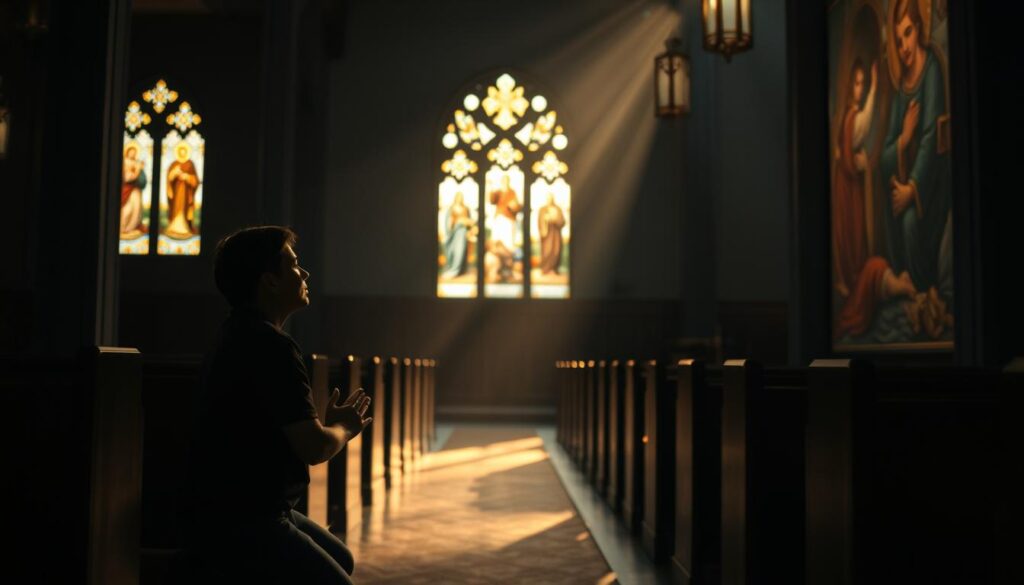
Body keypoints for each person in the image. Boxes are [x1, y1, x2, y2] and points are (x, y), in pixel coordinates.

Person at [187, 226, 372, 584]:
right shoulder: (272, 347)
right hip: (246, 519)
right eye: (294, 265)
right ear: (270, 281)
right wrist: (346, 427)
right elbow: (314, 447)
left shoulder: (235, 334)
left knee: (342, 558)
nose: (304, 273)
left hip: (237, 506)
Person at [831, 57, 917, 340]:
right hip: (848, 195)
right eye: (857, 84)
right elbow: (865, 124)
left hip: (850, 192)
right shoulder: (851, 118)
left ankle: (887, 282)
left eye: (863, 84)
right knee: (859, 253)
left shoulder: (847, 119)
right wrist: (878, 84)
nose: (860, 89)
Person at [879, 0, 952, 303]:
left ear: (919, 29)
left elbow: (930, 138)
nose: (904, 46)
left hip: (934, 183)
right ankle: (917, 296)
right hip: (910, 187)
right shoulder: (901, 92)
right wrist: (901, 142)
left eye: (907, 34)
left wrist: (913, 188)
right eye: (898, 40)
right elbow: (885, 153)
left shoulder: (932, 69)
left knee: (910, 220)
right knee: (901, 217)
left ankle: (924, 294)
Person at [165, 142, 201, 239]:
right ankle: (174, 227)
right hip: (176, 192)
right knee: (176, 209)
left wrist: (186, 177)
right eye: (180, 152)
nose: (182, 154)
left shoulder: (190, 164)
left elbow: (196, 180)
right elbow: (169, 179)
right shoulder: (174, 164)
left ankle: (185, 228)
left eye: (184, 152)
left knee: (185, 209)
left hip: (186, 193)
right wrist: (174, 174)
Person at [440, 191, 475, 279]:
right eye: (458, 197)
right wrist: (457, 222)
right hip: (454, 234)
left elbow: (470, 220)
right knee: (454, 251)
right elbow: (448, 222)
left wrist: (468, 226)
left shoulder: (466, 208)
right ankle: (453, 269)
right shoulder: (451, 208)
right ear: (455, 198)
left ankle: (459, 270)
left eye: (461, 197)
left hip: (463, 234)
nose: (460, 199)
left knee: (461, 251)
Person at [120, 144, 147, 237]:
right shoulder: (124, 162)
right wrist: (138, 170)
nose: (133, 154)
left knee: (137, 208)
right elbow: (127, 178)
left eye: (134, 152)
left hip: (135, 190)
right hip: (127, 189)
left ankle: (131, 228)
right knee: (127, 209)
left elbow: (141, 178)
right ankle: (123, 228)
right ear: (127, 152)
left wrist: (139, 169)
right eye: (131, 152)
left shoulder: (136, 162)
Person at [536, 193, 565, 275]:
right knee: (547, 251)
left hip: (555, 234)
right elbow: (540, 221)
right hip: (546, 235)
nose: (550, 200)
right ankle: (546, 269)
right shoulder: (542, 209)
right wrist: (545, 221)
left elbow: (562, 221)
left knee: (555, 251)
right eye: (548, 198)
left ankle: (554, 269)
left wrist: (554, 219)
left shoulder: (558, 209)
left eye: (551, 198)